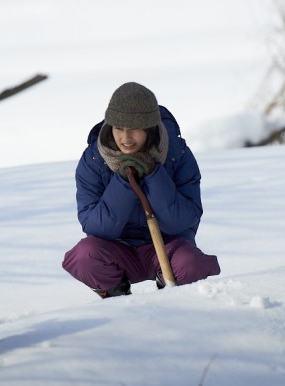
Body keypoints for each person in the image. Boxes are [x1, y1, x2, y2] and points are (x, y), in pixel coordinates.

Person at [62, 82, 220, 298]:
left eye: (134, 129)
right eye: (119, 128)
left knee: (190, 264)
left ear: (150, 128)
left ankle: (170, 295)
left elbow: (184, 221)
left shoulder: (177, 155)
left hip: (167, 247)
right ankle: (117, 300)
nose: (125, 139)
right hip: (116, 249)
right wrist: (124, 182)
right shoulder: (94, 160)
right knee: (83, 256)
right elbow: (95, 227)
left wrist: (154, 175)